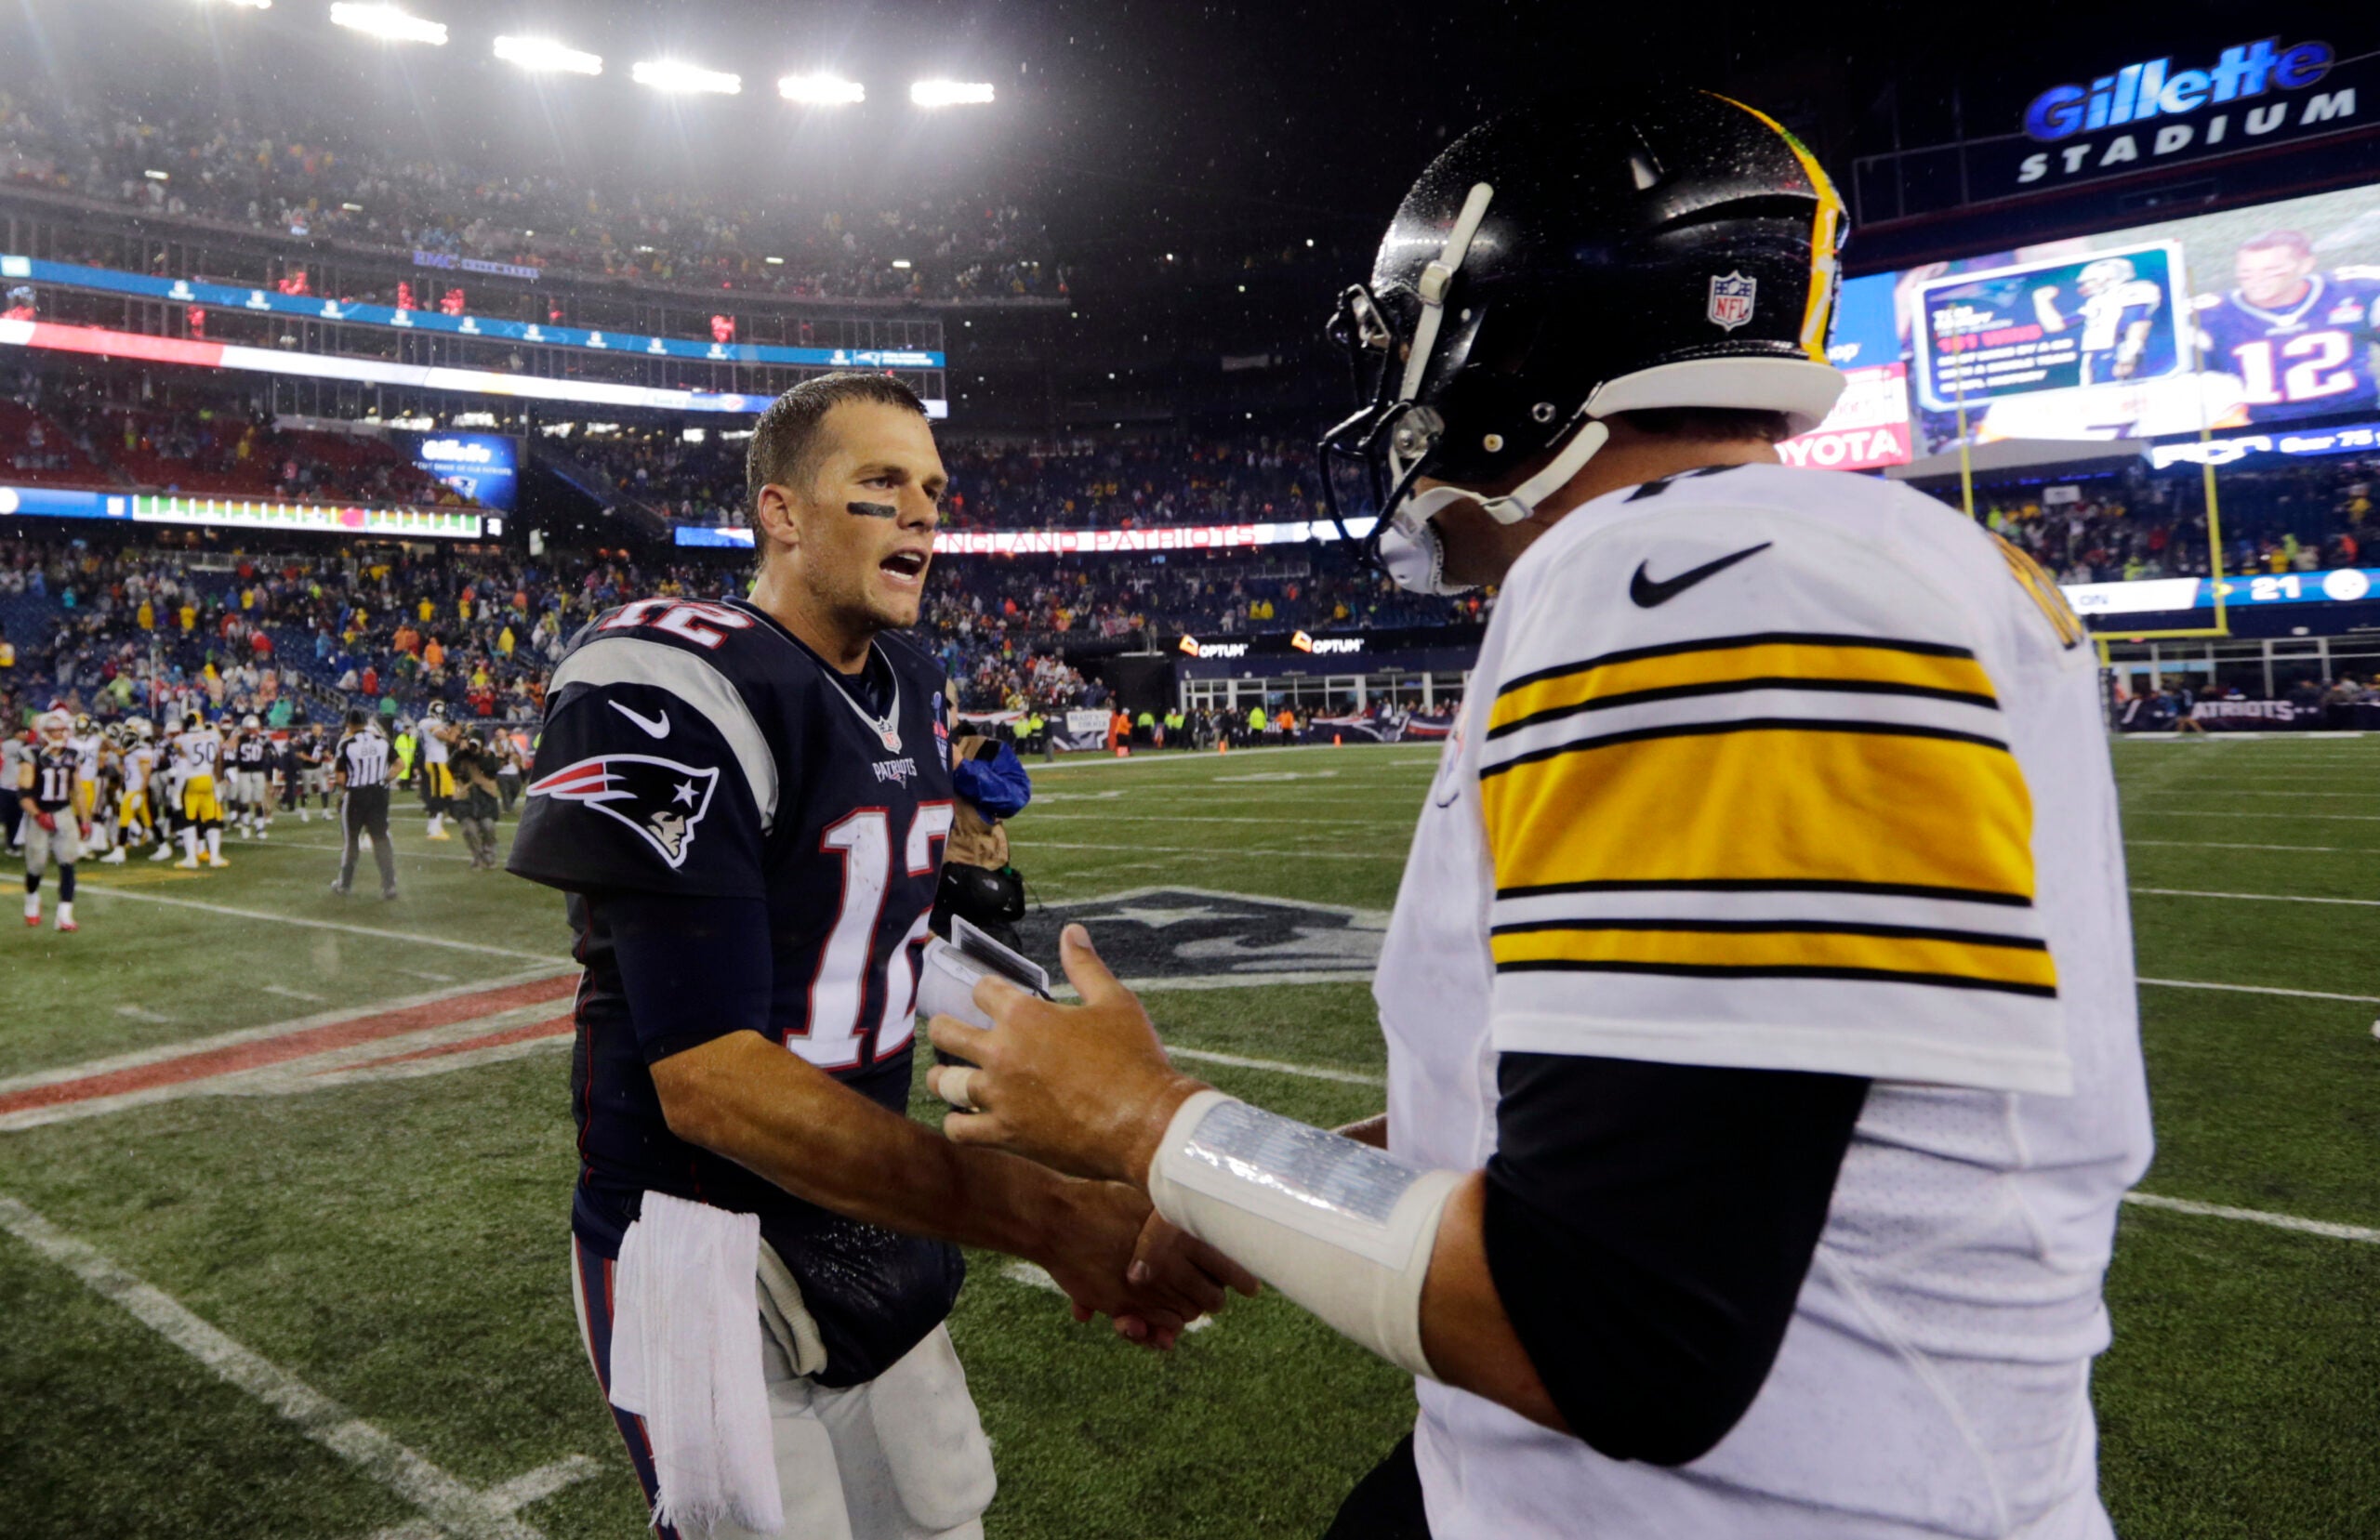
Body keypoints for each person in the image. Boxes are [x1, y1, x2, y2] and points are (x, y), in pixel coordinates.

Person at [925, 92, 2149, 1540]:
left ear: (1505, 340)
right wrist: (1249, 1178)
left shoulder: (1698, 585)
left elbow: (1620, 1331)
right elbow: (1645, 1100)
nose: (1391, 399)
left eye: (1405, 345)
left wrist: (1148, 1123)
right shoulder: (1810, 560)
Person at [506, 372, 1252, 1540]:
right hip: (701, 1235)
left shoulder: (911, 680)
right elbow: (706, 1078)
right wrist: (1046, 1214)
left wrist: (1072, 1086)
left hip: (866, 1193)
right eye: (881, 484)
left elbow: (876, 931)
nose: (923, 512)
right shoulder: (664, 674)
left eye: (935, 490)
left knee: (943, 1519)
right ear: (782, 513)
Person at [2196, 229, 2380, 423]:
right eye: (2246, 272)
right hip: (2262, 429)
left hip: (2359, 416)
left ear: (2305, 265)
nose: (2257, 280)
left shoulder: (2357, 290)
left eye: (2272, 271)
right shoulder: (2209, 315)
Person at [20, 708, 84, 931]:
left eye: (61, 730)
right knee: (36, 865)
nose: (58, 734)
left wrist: (84, 818)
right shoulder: (30, 755)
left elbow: (78, 790)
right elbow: (24, 794)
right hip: (39, 812)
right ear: (43, 732)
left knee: (68, 863)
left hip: (64, 812)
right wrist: (38, 814)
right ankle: (31, 901)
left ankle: (64, 916)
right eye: (53, 730)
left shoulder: (72, 755)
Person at [330, 707, 398, 899]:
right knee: (381, 839)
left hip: (356, 796)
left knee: (351, 841)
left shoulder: (346, 744)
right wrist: (384, 779)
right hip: (378, 794)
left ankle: (345, 884)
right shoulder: (381, 741)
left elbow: (341, 778)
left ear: (349, 724)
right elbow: (399, 765)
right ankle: (389, 884)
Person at [171, 708, 227, 868]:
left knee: (189, 819)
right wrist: (218, 784)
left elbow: (182, 767)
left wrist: (176, 793)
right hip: (209, 780)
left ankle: (191, 858)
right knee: (212, 819)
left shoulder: (182, 740)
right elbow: (218, 758)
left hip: (192, 782)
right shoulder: (214, 735)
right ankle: (215, 857)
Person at [449, 730, 504, 871]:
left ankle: (489, 855)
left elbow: (492, 769)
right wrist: (460, 752)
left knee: (488, 826)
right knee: (469, 829)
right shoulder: (460, 755)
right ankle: (477, 857)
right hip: (465, 797)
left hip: (485, 797)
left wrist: (478, 755)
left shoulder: (487, 755)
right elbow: (450, 768)